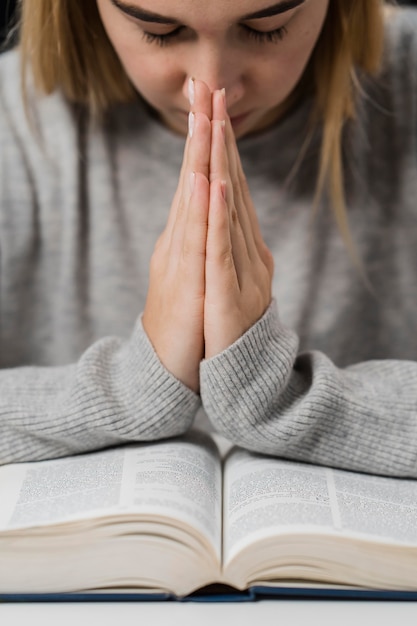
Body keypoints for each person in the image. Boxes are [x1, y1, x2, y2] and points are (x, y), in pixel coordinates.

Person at [0, 0, 416, 476]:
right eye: (158, 30)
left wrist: (286, 400)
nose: (213, 87)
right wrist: (128, 390)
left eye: (267, 27)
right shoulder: (11, 129)